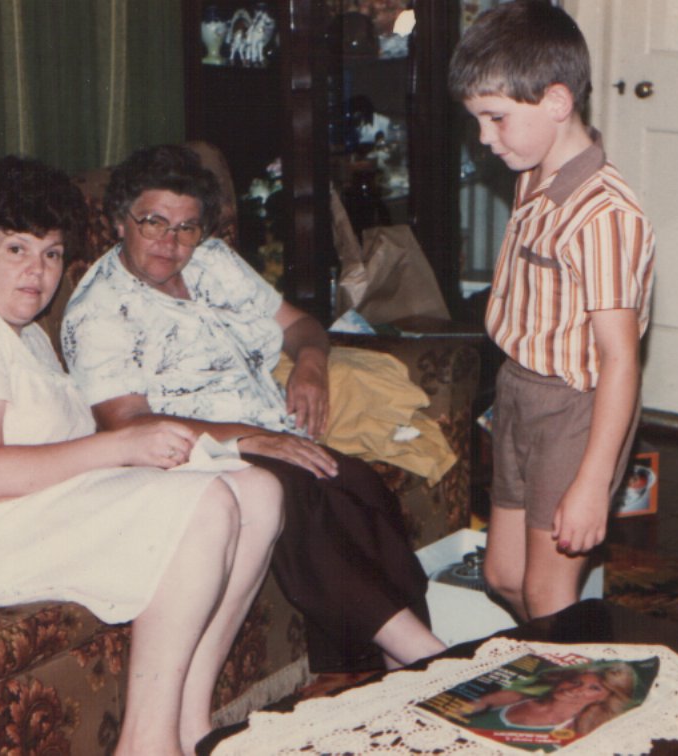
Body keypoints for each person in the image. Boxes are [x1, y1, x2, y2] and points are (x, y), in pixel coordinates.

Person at [0, 156, 284, 755]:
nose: (37, 271)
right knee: (206, 504)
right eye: (16, 249)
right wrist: (121, 444)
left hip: (14, 521)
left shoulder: (30, 339)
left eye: (52, 253)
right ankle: (146, 745)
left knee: (258, 491)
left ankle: (194, 726)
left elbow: (65, 464)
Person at [60, 144, 445, 672]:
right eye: (154, 223)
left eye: (186, 228)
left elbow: (300, 325)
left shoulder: (214, 261)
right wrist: (247, 439)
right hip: (189, 459)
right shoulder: (99, 312)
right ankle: (428, 661)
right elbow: (125, 423)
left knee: (359, 485)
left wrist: (311, 362)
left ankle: (394, 674)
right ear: (119, 221)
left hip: (273, 433)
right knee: (297, 494)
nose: (170, 243)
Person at [448, 1, 656, 620]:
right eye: (478, 120)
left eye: (496, 118)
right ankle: (567, 658)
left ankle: (574, 677)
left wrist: (593, 483)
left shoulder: (604, 215)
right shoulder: (532, 174)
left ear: (558, 101)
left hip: (574, 408)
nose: (485, 137)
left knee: (548, 593)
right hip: (518, 389)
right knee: (504, 575)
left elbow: (621, 360)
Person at [461, 663, 639, 735]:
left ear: (604, 698)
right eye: (575, 681)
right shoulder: (513, 698)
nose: (576, 689)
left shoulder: (583, 731)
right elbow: (455, 712)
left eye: (594, 688)